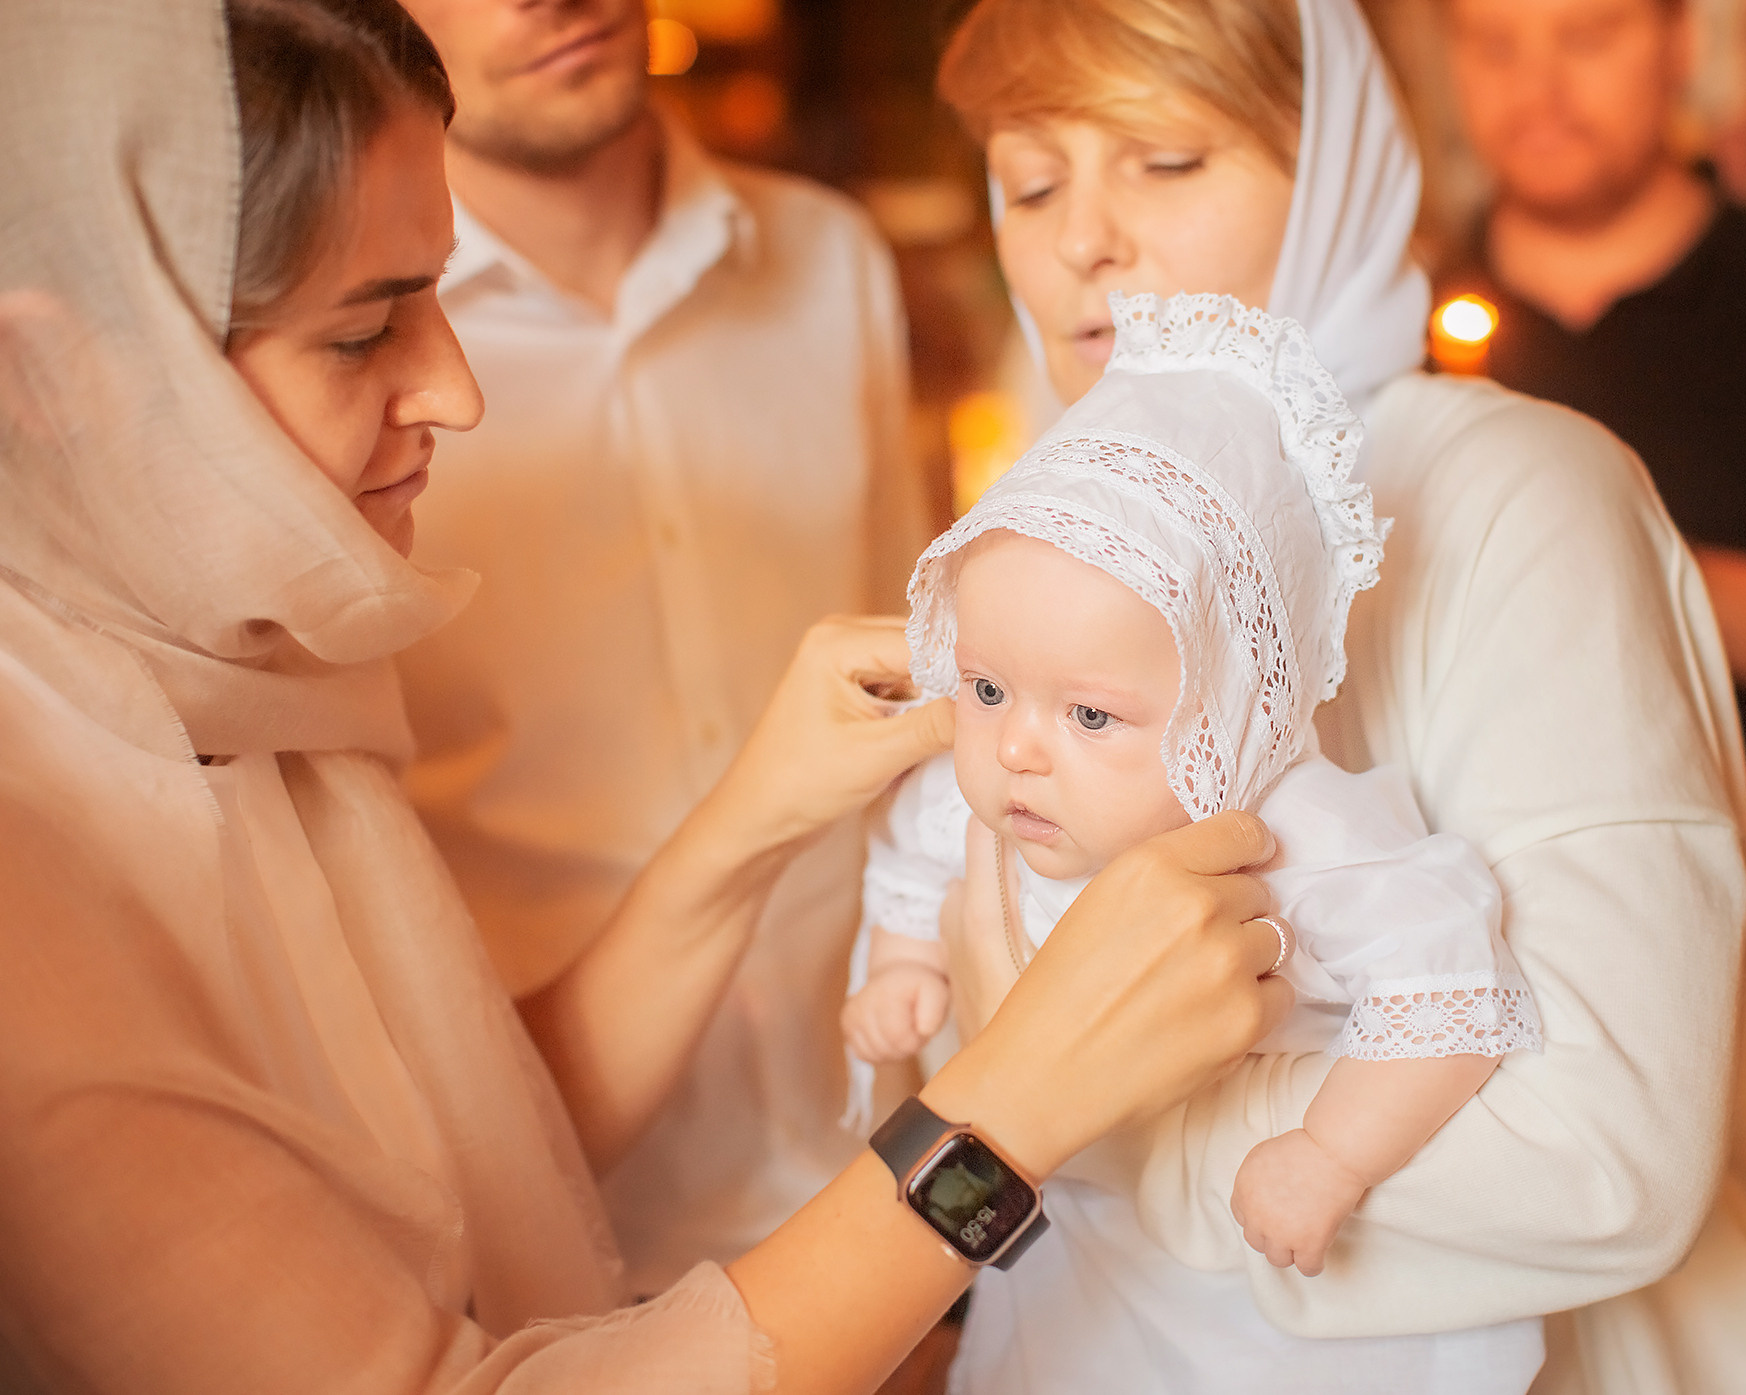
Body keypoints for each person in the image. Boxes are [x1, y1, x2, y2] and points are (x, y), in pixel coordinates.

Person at [0, 1, 1298, 1391]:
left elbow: (473, 1150)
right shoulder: (38, 869)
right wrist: (1008, 1113)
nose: (457, 389)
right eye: (359, 336)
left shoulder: (253, 680)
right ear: (63, 367)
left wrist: (751, 817)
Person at [935, 0, 1746, 1389]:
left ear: (1335, 165)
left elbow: (1609, 1150)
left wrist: (1092, 1104)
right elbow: (946, 1069)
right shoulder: (1034, 541)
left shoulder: (1517, 490)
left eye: (1164, 160)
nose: (1082, 236)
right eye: (1030, 181)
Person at [843, 290, 1547, 1393]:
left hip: (1252, 1294)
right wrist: (901, 960)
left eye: (1089, 716)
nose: (1017, 749)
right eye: (986, 687)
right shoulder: (978, 797)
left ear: (1228, 711)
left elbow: (1446, 992)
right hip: (1066, 1266)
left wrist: (1332, 1152)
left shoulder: (1294, 839)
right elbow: (911, 847)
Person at [389, 0, 928, 1295]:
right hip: (563, 1249)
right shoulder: (367, 359)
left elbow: (918, 686)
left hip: (889, 1170)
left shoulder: (831, 256)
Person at [1437, 0, 1746, 981]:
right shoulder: (1394, 337)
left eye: (1587, 36)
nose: (1539, 89)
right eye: (1496, 45)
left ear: (1682, 44)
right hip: (1497, 1017)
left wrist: (1657, 580)